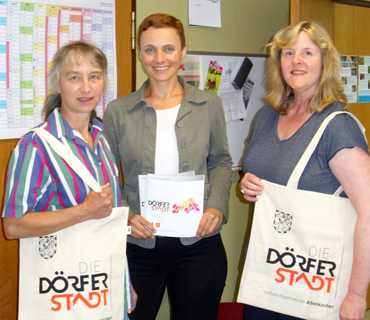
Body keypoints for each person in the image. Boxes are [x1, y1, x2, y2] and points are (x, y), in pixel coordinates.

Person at [103, 13, 232, 320]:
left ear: (183, 51)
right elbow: (104, 174)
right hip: (138, 243)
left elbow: (221, 161)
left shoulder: (208, 105)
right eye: (149, 49)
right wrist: (127, 216)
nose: (159, 59)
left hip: (198, 240)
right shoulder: (118, 111)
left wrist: (216, 207)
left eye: (168, 49)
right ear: (140, 53)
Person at [240, 21, 370, 320]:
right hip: (268, 272)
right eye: (288, 53)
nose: (296, 61)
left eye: (308, 53)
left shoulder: (338, 127)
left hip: (314, 282)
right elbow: (266, 172)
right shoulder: (267, 116)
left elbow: (368, 211)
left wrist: (357, 294)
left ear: (325, 62)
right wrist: (249, 183)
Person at [2, 41, 134, 319]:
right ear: (57, 84)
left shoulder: (102, 139)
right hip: (64, 292)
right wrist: (83, 211)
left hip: (104, 285)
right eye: (74, 77)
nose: (86, 88)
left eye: (94, 76)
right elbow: (13, 225)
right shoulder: (35, 146)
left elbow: (108, 224)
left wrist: (123, 280)